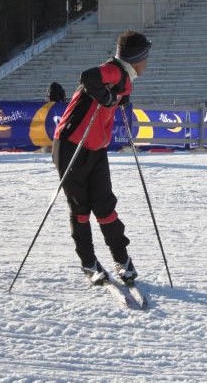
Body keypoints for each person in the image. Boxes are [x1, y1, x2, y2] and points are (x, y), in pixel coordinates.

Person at [52, 30, 151, 285]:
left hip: (95, 149)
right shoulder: (114, 70)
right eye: (145, 57)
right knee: (81, 209)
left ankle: (122, 260)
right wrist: (106, 96)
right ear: (135, 58)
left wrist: (118, 98)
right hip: (71, 146)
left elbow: (115, 92)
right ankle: (88, 263)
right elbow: (88, 77)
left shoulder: (123, 79)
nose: (147, 63)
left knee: (105, 206)